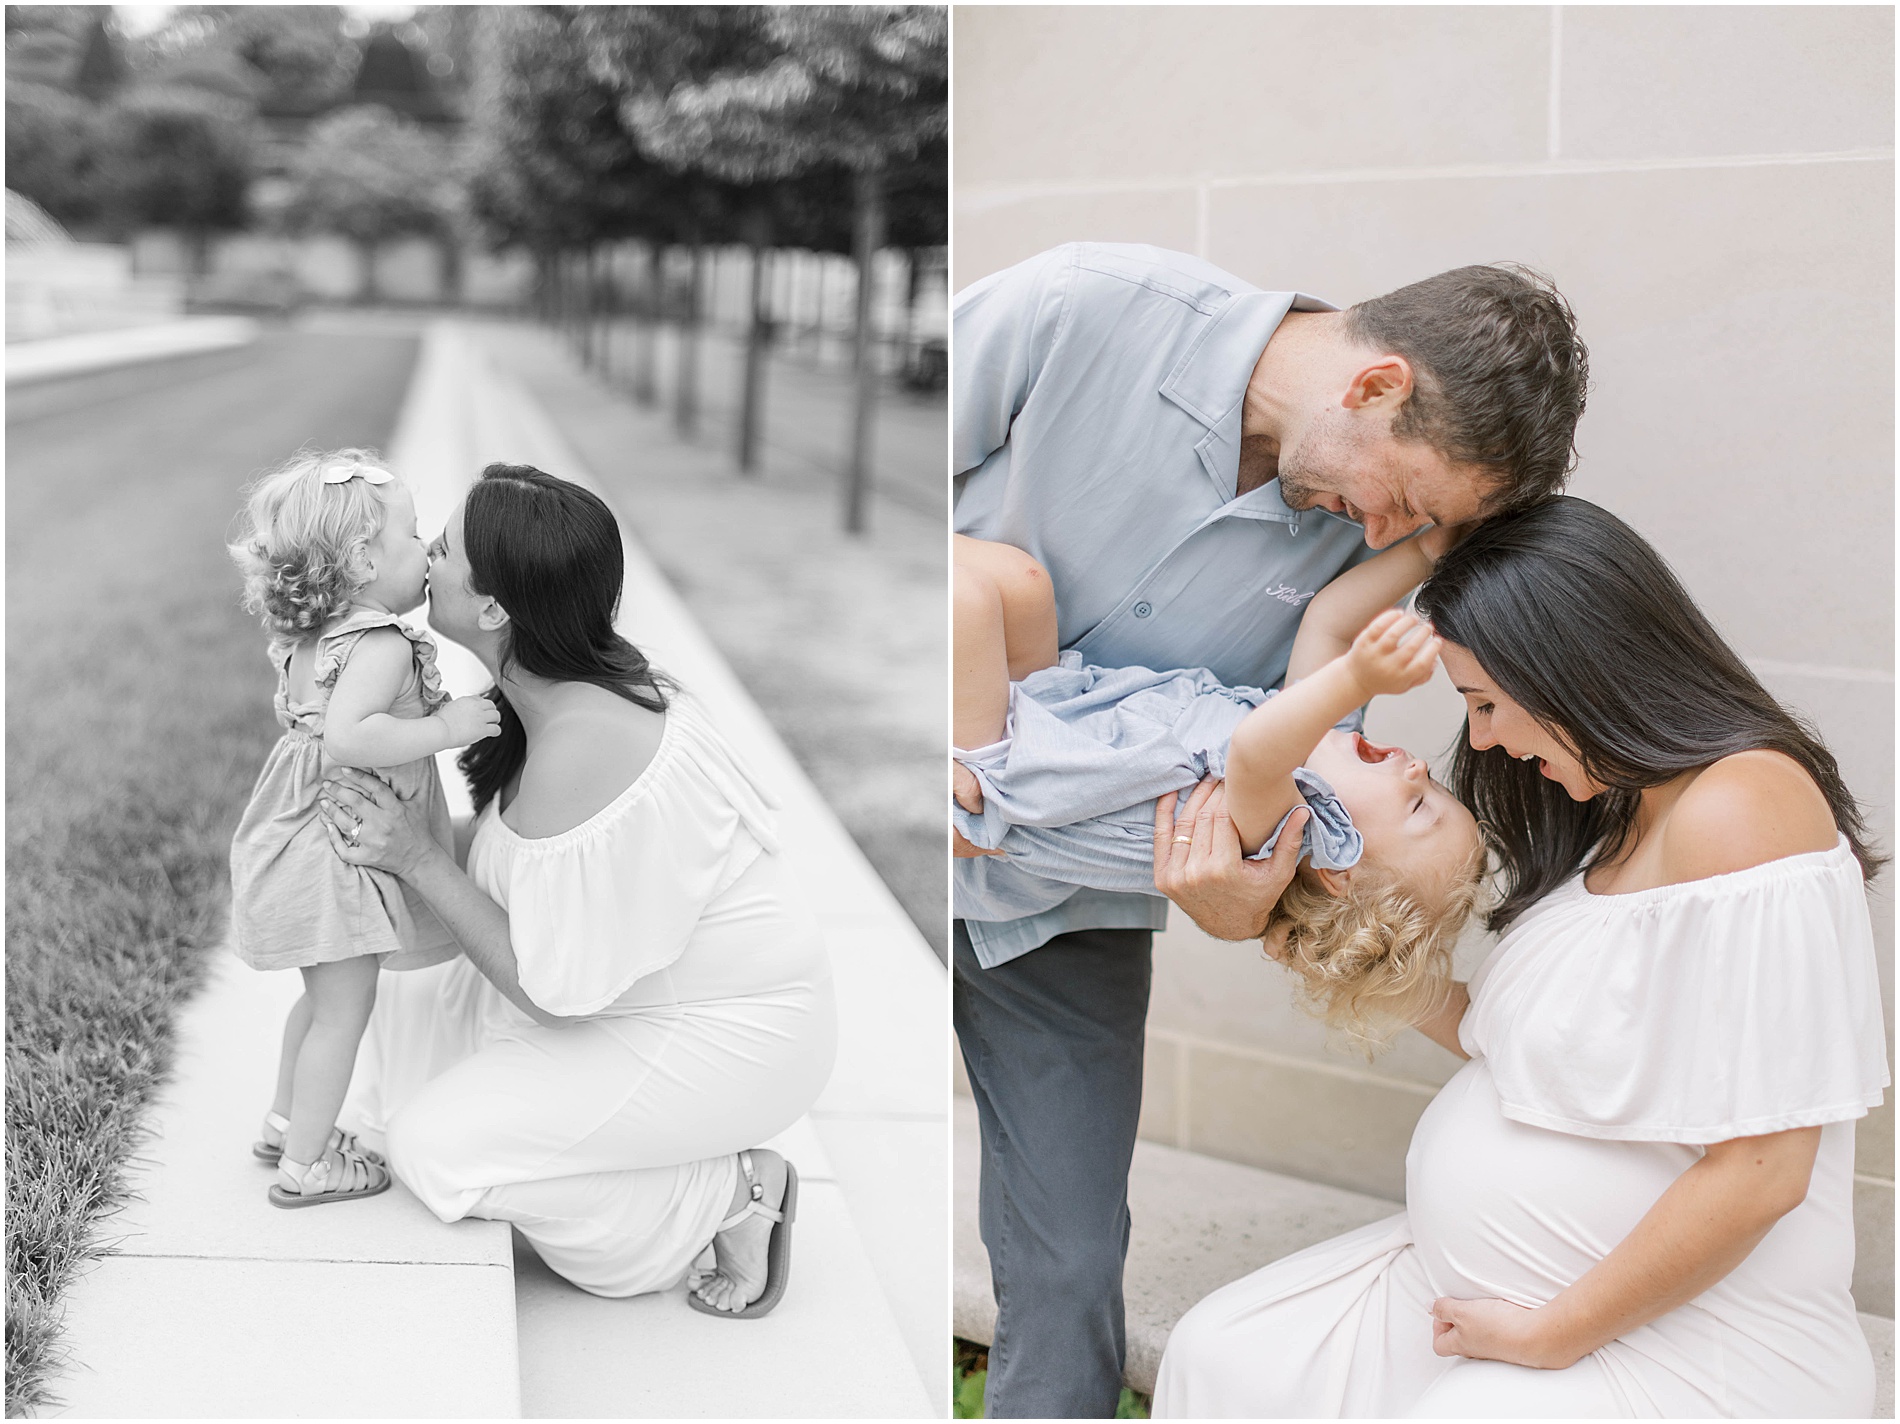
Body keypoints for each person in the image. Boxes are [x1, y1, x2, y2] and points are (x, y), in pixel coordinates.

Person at [953, 241, 1589, 1415]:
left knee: (1067, 1259)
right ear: (1376, 385)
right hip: (927, 807)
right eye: (1406, 497)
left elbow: (1314, 816)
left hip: (1060, 915)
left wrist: (1249, 907)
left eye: (1414, 522)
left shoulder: (1310, 721)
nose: (1383, 528)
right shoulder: (1076, 312)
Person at [1153, 497, 1888, 1417]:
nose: (1484, 739)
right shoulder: (1617, 808)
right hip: (1519, 1293)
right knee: (1230, 1356)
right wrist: (1321, 940)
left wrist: (1555, 1334)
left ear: (1574, 670)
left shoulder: (1743, 805)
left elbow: (1764, 1170)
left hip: (1695, 1333)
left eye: (1487, 703)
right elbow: (1536, 1046)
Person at [316, 463, 838, 1316]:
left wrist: (415, 858)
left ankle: (729, 1192)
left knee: (435, 1148)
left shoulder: (584, 746)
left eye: (437, 549)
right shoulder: (544, 692)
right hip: (630, 987)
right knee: (386, 1008)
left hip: (725, 1034)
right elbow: (503, 871)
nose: (422, 559)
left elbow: (556, 995)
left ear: (492, 609)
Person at [953, 532, 1484, 1041]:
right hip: (1051, 703)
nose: (1418, 770)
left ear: (1340, 870)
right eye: (1436, 786)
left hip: (1006, 773)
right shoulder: (1328, 739)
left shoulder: (1286, 830)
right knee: (1022, 582)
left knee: (967, 598)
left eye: (1418, 807)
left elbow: (1254, 754)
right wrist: (1424, 550)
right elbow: (1329, 623)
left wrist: (1359, 679)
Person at [226, 448, 501, 1208]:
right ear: (360, 558)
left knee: (318, 1002)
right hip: (339, 856)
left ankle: (286, 1123)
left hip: (308, 836)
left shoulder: (318, 638)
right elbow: (351, 738)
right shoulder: (378, 643)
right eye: (415, 537)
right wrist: (446, 725)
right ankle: (309, 1163)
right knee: (344, 1015)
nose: (427, 550)